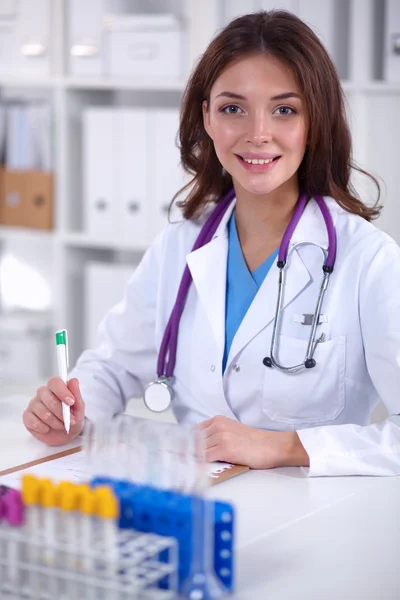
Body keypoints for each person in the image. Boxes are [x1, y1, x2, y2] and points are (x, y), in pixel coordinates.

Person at [23, 10, 400, 477]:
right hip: (194, 505)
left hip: (314, 521)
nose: (257, 133)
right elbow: (112, 368)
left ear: (315, 120)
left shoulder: (369, 259)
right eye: (232, 108)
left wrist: (286, 447)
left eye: (285, 109)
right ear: (206, 116)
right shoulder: (179, 246)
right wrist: (72, 414)